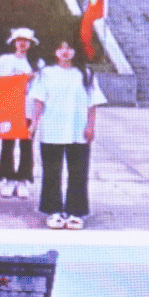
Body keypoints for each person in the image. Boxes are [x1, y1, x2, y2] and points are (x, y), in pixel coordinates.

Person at [27, 40, 106, 230]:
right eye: (60, 47)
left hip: (77, 130)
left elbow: (92, 103)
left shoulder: (85, 74)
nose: (65, 51)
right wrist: (34, 124)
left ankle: (75, 212)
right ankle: (53, 211)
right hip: (52, 129)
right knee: (52, 172)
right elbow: (39, 101)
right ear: (55, 51)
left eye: (69, 48)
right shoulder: (45, 74)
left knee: (78, 172)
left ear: (75, 51)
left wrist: (91, 126)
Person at [0, 27, 41, 199]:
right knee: (7, 145)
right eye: (19, 40)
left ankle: (23, 180)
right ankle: (8, 178)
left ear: (30, 44)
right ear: (14, 42)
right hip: (9, 108)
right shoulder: (4, 60)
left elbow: (41, 87)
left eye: (26, 41)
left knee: (26, 145)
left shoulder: (37, 63)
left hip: (29, 108)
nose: (22, 43)